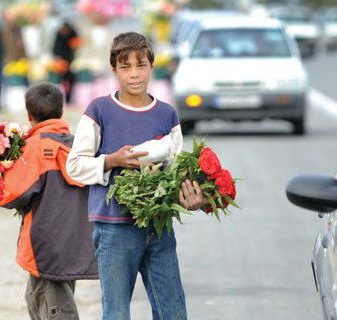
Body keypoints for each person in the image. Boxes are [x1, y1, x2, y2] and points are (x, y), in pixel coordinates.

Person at [66, 32, 205, 320]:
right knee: (116, 313)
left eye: (141, 65)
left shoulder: (166, 115)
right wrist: (112, 160)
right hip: (114, 229)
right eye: (125, 66)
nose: (134, 74)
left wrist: (193, 199)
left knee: (173, 312)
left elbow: (176, 170)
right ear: (114, 70)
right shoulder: (100, 110)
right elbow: (75, 165)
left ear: (152, 66)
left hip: (159, 227)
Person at [0, 83, 98, 320]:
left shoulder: (34, 148)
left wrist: (0, 168)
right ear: (61, 111)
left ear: (29, 115)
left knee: (55, 310)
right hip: (72, 243)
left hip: (45, 245)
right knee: (43, 299)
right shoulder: (77, 146)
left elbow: (11, 193)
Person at [52, 22, 79, 103]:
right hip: (60, 62)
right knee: (60, 82)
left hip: (70, 61)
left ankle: (69, 99)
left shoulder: (73, 33)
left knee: (71, 81)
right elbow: (55, 48)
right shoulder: (58, 34)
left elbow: (76, 45)